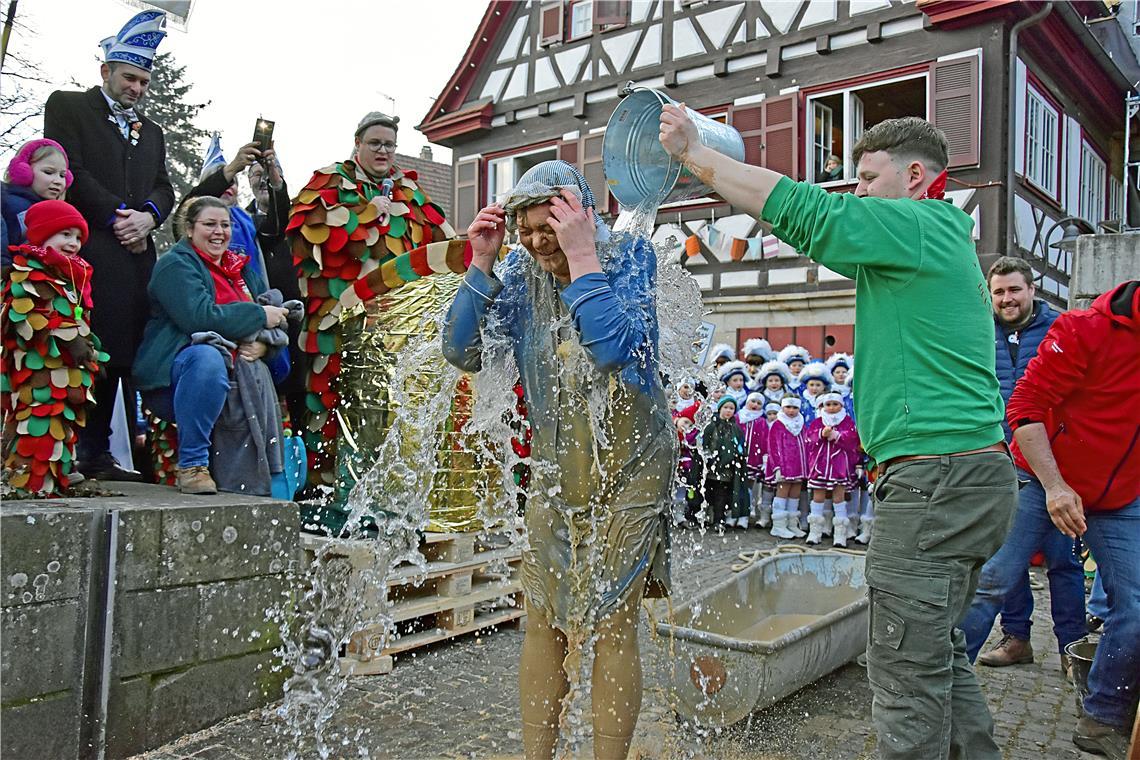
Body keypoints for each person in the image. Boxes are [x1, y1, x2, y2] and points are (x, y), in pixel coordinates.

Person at [660, 110, 1014, 759]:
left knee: (904, 667)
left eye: (869, 179)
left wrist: (695, 157)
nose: (859, 193)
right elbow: (818, 225)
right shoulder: (932, 240)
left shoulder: (918, 224)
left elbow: (806, 212)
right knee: (935, 648)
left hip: (935, 476)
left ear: (915, 176)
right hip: (966, 474)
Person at [442, 161, 672, 760]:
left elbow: (613, 348)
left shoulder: (628, 258)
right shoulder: (521, 277)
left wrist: (583, 254)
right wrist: (482, 262)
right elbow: (460, 351)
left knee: (613, 620)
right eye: (527, 232)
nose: (539, 243)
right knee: (542, 615)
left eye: (551, 228)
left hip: (634, 464)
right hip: (557, 464)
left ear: (582, 218)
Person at [1005, 280, 1139, 758]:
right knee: (992, 580)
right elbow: (1023, 406)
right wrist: (1055, 486)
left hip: (1120, 494)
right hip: (1042, 475)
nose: (1006, 300)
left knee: (1132, 603)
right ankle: (937, 698)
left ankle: (1102, 715)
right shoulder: (1086, 328)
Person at [290, 110, 455, 492]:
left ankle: (384, 494)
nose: (383, 151)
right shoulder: (330, 181)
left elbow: (441, 245)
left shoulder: (409, 192)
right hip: (337, 323)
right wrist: (363, 215)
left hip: (397, 329)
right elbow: (304, 234)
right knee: (332, 409)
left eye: (390, 145)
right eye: (375, 143)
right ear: (357, 144)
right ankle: (330, 493)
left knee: (387, 412)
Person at [43, 10, 175, 482]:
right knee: (85, 345)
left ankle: (98, 453)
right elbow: (71, 168)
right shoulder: (69, 107)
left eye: (143, 82)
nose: (136, 88)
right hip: (88, 244)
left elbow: (163, 187)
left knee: (124, 352)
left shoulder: (152, 132)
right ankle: (64, 450)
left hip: (137, 255)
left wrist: (149, 217)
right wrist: (120, 216)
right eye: (129, 78)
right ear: (106, 71)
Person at [961, 256, 1084, 676]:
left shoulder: (1061, 329)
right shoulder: (980, 332)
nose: (1006, 299)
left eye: (1014, 289)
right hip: (999, 462)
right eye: (998, 292)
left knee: (1063, 561)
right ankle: (1017, 638)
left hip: (1055, 464)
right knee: (1005, 558)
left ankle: (1072, 648)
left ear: (1032, 290)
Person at [132, 197, 290, 495]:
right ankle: (192, 466)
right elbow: (199, 318)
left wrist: (264, 346)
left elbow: (277, 322)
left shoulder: (242, 269)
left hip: (241, 375)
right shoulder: (174, 265)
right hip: (179, 378)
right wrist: (258, 316)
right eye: (209, 224)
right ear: (189, 229)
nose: (219, 232)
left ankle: (251, 483)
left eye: (225, 225)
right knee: (208, 357)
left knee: (247, 366)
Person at [1, 201, 107, 494]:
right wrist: (65, 338)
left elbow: (77, 322)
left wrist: (91, 354)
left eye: (78, 237)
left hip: (65, 373)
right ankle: (29, 480)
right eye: (65, 235)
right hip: (40, 372)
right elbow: (24, 317)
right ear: (42, 235)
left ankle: (58, 469)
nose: (73, 243)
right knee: (39, 415)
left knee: (62, 419)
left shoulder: (71, 276)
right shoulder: (26, 272)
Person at [2, 139, 73, 264]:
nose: (58, 181)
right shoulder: (13, 206)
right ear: (24, 171)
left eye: (62, 175)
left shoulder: (56, 212)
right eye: (49, 172)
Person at [805, 392, 861, 547]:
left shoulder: (847, 421)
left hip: (839, 467)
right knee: (818, 496)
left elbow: (853, 440)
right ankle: (815, 532)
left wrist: (837, 435)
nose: (831, 407)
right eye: (828, 404)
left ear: (841, 405)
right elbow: (809, 439)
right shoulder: (818, 421)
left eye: (835, 404)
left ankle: (840, 534)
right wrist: (821, 434)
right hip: (820, 466)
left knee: (839, 498)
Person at [766, 395, 809, 540]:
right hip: (784, 466)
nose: (791, 411)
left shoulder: (801, 424)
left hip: (799, 466)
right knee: (783, 492)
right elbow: (772, 447)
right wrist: (777, 467)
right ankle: (778, 526)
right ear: (782, 408)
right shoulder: (777, 424)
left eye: (795, 407)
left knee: (795, 493)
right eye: (788, 407)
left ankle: (792, 524)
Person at [702, 395, 745, 529]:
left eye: (731, 408)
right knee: (708, 492)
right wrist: (709, 461)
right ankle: (707, 516)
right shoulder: (711, 426)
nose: (728, 411)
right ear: (720, 408)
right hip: (710, 467)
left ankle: (719, 520)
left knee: (722, 495)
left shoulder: (735, 429)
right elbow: (704, 444)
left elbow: (740, 447)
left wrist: (733, 459)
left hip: (727, 469)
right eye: (726, 407)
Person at [737, 391, 768, 529]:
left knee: (748, 486)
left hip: (753, 459)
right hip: (738, 458)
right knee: (736, 485)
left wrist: (764, 458)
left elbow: (765, 440)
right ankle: (733, 513)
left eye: (759, 403)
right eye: (753, 401)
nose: (755, 405)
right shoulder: (738, 417)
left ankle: (745, 514)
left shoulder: (761, 421)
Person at [797, 361, 832, 426]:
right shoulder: (801, 401)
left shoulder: (829, 400)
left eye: (818, 385)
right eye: (811, 385)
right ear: (807, 385)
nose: (814, 388)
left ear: (824, 386)